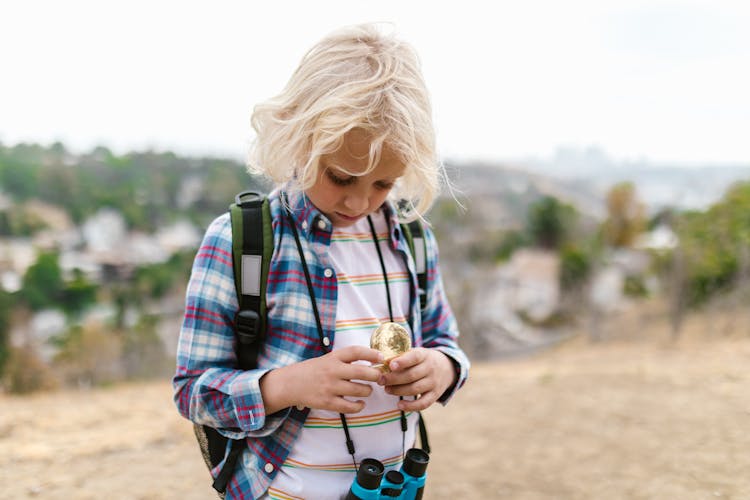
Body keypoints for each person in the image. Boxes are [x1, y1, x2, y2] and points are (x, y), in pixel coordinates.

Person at [173, 23, 470, 500]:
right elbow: (192, 392)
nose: (359, 202)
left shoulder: (413, 239)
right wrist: (288, 385)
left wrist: (442, 367)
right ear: (299, 136)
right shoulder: (240, 241)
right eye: (341, 176)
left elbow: (445, 342)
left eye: (383, 184)